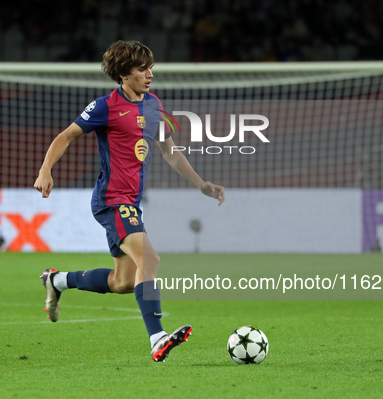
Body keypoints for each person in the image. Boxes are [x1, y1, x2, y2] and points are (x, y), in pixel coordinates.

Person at [34, 40, 225, 362]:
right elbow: (66, 135)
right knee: (150, 261)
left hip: (130, 202)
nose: (149, 74)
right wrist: (45, 170)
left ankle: (57, 280)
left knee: (122, 282)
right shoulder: (104, 106)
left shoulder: (154, 105)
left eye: (151, 68)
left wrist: (201, 184)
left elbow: (170, 151)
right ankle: (157, 338)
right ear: (123, 74)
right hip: (112, 199)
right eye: (142, 69)